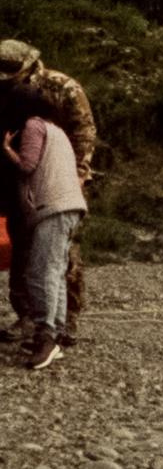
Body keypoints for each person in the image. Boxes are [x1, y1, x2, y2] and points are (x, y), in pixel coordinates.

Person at [0, 42, 96, 340]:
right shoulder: (6, 90)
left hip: (58, 176)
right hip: (19, 175)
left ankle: (64, 320)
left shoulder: (61, 86)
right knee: (21, 245)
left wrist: (79, 174)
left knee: (59, 252)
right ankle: (28, 315)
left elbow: (84, 131)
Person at [3, 106, 87, 372]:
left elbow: (27, 165)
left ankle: (46, 336)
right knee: (56, 271)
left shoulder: (33, 126)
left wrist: (6, 148)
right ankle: (57, 334)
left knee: (42, 272)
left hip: (53, 208)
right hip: (70, 206)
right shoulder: (57, 130)